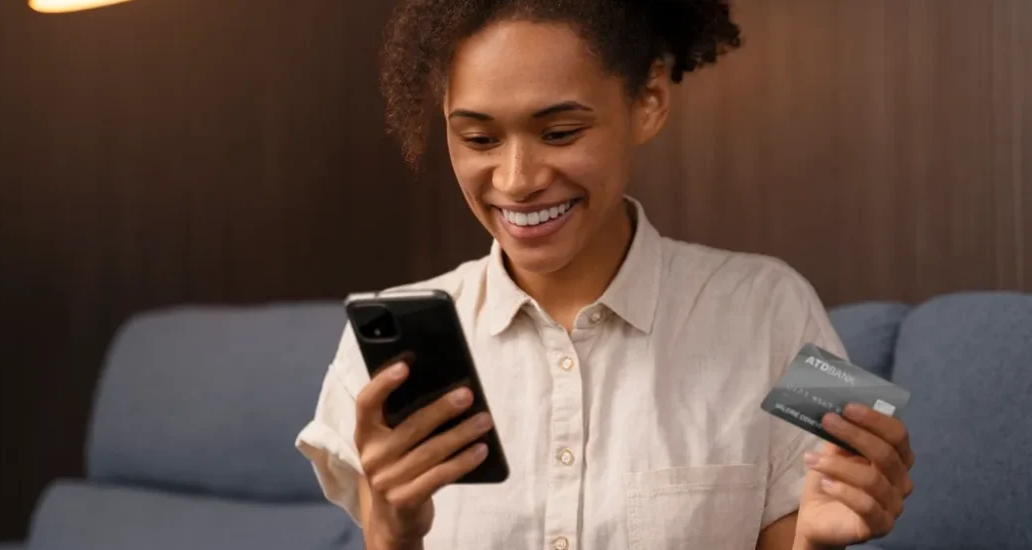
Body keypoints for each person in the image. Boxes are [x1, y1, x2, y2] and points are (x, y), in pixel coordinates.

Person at [296, 1, 916, 549]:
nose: (515, 180)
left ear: (648, 102)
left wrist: (818, 539)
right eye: (479, 138)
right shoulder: (383, 349)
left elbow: (828, 505)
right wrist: (390, 534)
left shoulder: (770, 308)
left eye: (560, 132)